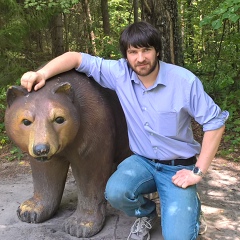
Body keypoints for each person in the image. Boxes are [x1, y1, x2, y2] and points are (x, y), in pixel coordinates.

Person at [21, 21, 228, 240]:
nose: (140, 58)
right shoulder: (119, 73)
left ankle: (191, 210)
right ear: (126, 55)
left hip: (177, 168)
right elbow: (76, 58)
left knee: (179, 236)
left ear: (157, 50)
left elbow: (215, 123)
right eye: (133, 52)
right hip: (142, 162)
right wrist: (41, 73)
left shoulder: (184, 81)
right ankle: (147, 214)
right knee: (115, 192)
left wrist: (198, 171)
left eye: (146, 49)